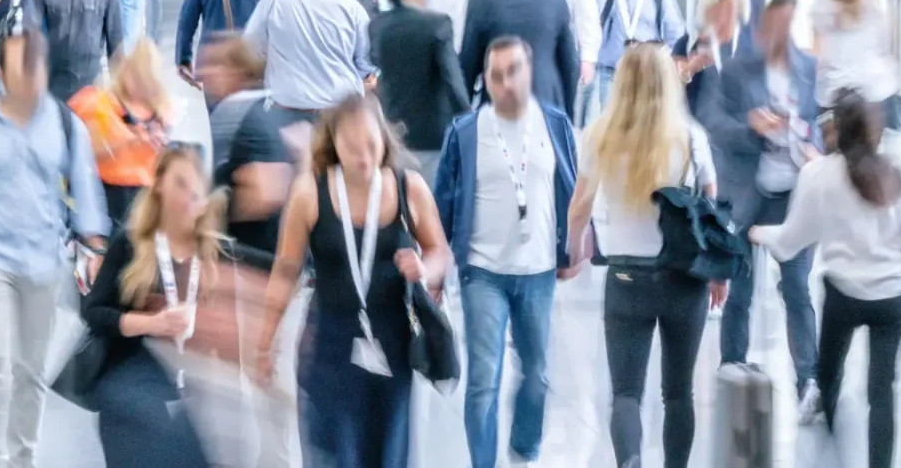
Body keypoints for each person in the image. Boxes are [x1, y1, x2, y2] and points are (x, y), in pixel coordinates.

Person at [255, 93, 452, 468]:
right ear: (333, 145)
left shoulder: (409, 188)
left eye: (371, 146)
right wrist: (265, 342)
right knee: (333, 455)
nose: (363, 158)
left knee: (387, 456)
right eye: (351, 148)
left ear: (385, 139)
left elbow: (440, 251)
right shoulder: (309, 193)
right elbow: (285, 270)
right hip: (330, 350)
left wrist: (425, 268)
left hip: (392, 351)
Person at [0, 32, 107, 468]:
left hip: (44, 261)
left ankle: (23, 457)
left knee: (30, 371)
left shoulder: (65, 123)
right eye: (19, 67)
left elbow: (86, 189)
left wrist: (96, 244)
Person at [564, 44, 720, 468]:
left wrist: (574, 251)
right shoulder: (690, 136)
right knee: (678, 392)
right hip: (684, 279)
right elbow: (710, 208)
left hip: (626, 279)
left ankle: (630, 461)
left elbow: (580, 205)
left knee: (626, 393)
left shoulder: (600, 134)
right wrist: (719, 275)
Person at [751, 94, 901, 468]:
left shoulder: (820, 174)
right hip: (891, 297)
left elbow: (793, 239)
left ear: (836, 131)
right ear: (877, 131)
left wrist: (760, 233)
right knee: (882, 392)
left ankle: (832, 450)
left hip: (844, 294)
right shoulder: (894, 171)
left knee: (828, 375)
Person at [433, 36, 579, 468]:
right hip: (483, 271)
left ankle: (525, 448)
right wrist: (439, 269)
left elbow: (573, 189)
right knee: (483, 381)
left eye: (513, 71)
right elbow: (443, 204)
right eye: (495, 75)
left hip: (537, 270)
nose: (505, 82)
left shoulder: (554, 125)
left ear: (529, 71)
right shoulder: (465, 131)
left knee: (536, 375)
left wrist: (571, 250)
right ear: (486, 80)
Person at [690, 0, 820, 396]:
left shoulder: (810, 70)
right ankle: (732, 369)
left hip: (794, 197)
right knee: (740, 287)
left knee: (797, 288)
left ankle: (808, 380)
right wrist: (752, 127)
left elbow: (828, 123)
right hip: (747, 195)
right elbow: (712, 121)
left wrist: (815, 142)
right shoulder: (738, 71)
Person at [78, 146, 219, 468]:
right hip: (130, 390)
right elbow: (94, 313)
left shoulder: (212, 255)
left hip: (192, 400)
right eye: (179, 184)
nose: (187, 197)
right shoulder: (131, 244)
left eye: (195, 189)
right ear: (158, 185)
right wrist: (150, 324)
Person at [458, 0, 578, 118]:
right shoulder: (555, 0)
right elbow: (570, 65)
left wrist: (464, 119)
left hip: (498, 105)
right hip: (547, 105)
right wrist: (568, 114)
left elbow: (468, 65)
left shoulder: (479, 2)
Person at [242, 0, 370, 112]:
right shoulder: (353, 9)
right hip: (339, 115)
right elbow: (366, 63)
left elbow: (249, 49)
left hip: (285, 111)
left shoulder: (273, 1)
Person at [370, 0, 465, 174]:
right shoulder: (437, 24)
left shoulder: (378, 26)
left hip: (393, 133)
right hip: (433, 135)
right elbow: (453, 82)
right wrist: (469, 122)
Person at [70, 37, 177, 225]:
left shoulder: (161, 107)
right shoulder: (99, 103)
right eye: (133, 73)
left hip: (146, 197)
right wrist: (133, 140)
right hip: (108, 195)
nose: (137, 82)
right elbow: (89, 151)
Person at [593, 0, 680, 120]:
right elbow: (591, 20)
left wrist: (665, 64)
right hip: (613, 74)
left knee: (648, 126)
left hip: (648, 73)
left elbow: (676, 33)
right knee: (614, 128)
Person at [809, 0, 900, 110]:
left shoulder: (824, 5)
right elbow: (887, 40)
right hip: (877, 85)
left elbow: (818, 55)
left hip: (836, 91)